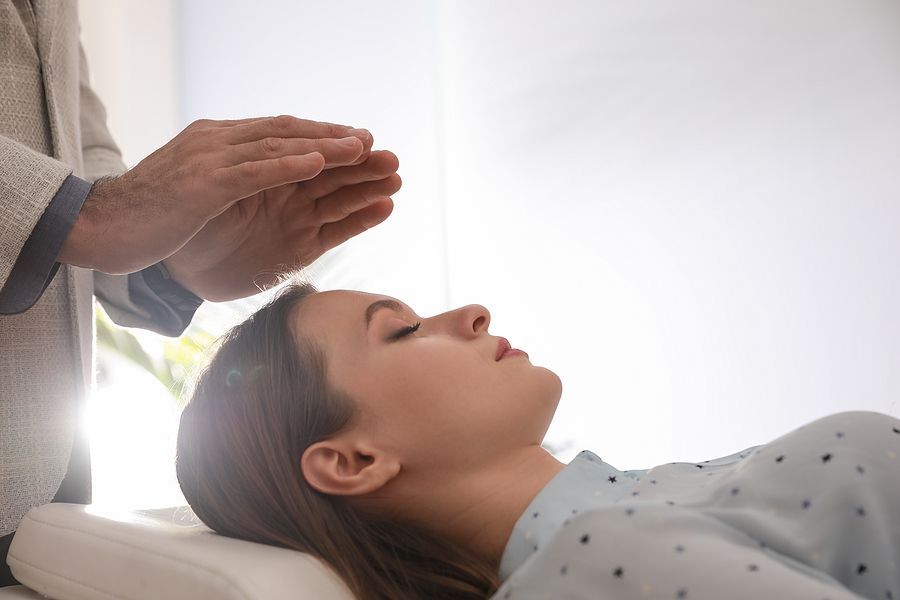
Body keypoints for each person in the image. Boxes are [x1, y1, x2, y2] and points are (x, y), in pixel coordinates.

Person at [0, 0, 400, 586]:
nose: (476, 314)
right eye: (400, 332)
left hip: (40, 493)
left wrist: (169, 259)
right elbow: (84, 208)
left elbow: (68, 137)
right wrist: (90, 215)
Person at [176, 282, 900, 600]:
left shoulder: (649, 511)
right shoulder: (599, 567)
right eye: (403, 330)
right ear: (354, 461)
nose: (471, 313)